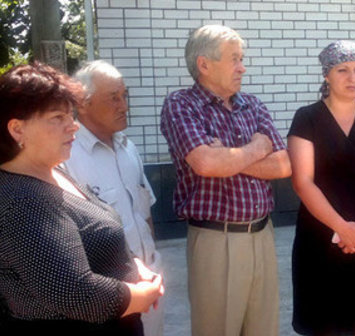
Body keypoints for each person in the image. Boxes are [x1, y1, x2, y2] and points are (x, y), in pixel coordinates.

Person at [0, 63, 163, 335]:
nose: (73, 126)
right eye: (57, 118)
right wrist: (140, 296)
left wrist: (135, 265)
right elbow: (75, 294)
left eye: (70, 115)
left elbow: (98, 237)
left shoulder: (53, 172)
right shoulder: (22, 200)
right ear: (17, 130)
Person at [160, 25, 291, 336]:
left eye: (241, 58)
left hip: (263, 234)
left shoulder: (253, 105)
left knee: (264, 330)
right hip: (216, 242)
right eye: (234, 59)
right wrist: (257, 149)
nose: (242, 67)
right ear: (204, 64)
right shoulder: (182, 105)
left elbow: (284, 165)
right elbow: (205, 162)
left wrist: (230, 160)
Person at [288, 40, 355, 335]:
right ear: (326, 75)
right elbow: (303, 181)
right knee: (325, 324)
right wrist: (342, 227)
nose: (353, 78)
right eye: (343, 70)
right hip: (320, 237)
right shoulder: (306, 118)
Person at [62, 60, 164, 336]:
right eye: (113, 98)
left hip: (149, 279)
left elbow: (144, 214)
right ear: (82, 103)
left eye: (124, 96)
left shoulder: (128, 148)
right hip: (110, 293)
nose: (124, 105)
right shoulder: (67, 157)